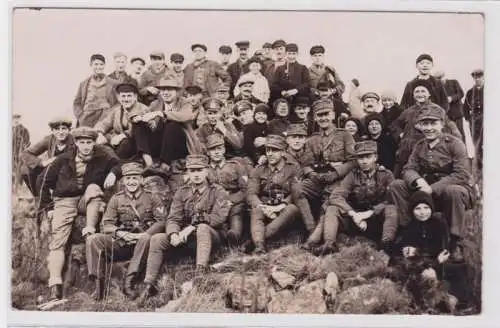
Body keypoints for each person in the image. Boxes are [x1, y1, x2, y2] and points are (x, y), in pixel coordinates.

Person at [138, 154, 232, 302]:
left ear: (206, 171)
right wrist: (173, 234)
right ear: (187, 173)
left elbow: (218, 218)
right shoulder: (182, 192)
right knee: (157, 239)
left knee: (202, 228)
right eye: (192, 171)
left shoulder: (218, 191)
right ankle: (149, 285)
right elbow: (174, 218)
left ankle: (200, 273)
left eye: (199, 170)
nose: (196, 174)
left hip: (212, 237)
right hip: (188, 238)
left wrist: (192, 227)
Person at [42, 127, 120, 302]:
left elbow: (117, 163)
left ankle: (90, 230)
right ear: (76, 143)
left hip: (85, 199)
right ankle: (55, 285)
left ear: (94, 143)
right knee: (57, 243)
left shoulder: (101, 156)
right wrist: (50, 208)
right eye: (82, 142)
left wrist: (113, 174)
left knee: (94, 188)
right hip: (64, 200)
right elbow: (45, 183)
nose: (86, 146)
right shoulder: (63, 159)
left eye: (89, 142)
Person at [389, 104, 474, 262]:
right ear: (420, 126)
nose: (429, 128)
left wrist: (432, 188)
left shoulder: (454, 144)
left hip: (451, 191)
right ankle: (410, 233)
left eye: (433, 123)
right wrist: (418, 180)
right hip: (426, 191)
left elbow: (462, 174)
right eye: (425, 124)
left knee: (453, 191)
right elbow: (408, 169)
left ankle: (456, 242)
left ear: (442, 124)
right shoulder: (419, 146)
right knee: (397, 186)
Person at [85, 162, 166, 300]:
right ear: (123, 181)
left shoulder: (152, 197)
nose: (131, 182)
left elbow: (162, 221)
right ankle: (99, 285)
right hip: (123, 242)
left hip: (143, 243)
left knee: (146, 239)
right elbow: (106, 224)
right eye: (128, 178)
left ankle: (129, 282)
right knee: (92, 239)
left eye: (135, 178)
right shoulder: (116, 199)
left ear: (141, 180)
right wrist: (120, 233)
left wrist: (145, 234)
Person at [309, 140, 397, 255]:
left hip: (376, 219)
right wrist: (354, 214)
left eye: (368, 157)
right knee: (332, 208)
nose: (364, 161)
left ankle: (386, 246)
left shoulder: (386, 174)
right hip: (356, 220)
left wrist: (369, 213)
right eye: (360, 158)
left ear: (375, 157)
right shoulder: (352, 175)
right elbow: (336, 196)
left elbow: (391, 200)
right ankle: (329, 246)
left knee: (391, 209)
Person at [246, 135, 314, 254]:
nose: (270, 154)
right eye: (268, 150)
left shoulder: (293, 168)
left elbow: (296, 192)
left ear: (283, 152)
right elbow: (251, 193)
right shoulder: (259, 169)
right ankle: (259, 246)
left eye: (275, 150)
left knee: (292, 209)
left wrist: (282, 205)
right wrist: (263, 207)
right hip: (265, 206)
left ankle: (255, 239)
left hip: (285, 208)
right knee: (255, 210)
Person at [300, 100, 356, 241]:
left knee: (329, 199)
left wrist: (336, 174)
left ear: (332, 115)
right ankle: (310, 228)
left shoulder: (345, 135)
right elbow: (306, 164)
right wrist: (312, 175)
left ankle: (320, 237)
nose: (323, 118)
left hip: (338, 179)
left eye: (326, 114)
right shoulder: (312, 140)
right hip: (318, 179)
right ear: (315, 118)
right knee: (298, 189)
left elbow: (353, 161)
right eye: (319, 115)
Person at [389, 191, 452, 308]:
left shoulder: (439, 225)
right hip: (417, 268)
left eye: (426, 208)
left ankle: (433, 301)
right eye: (417, 208)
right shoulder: (409, 227)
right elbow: (399, 251)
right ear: (412, 211)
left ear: (431, 208)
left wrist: (418, 252)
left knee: (429, 275)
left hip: (437, 268)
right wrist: (405, 251)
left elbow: (443, 254)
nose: (422, 212)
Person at [392, 80, 461, 177]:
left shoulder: (437, 109)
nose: (420, 94)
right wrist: (400, 134)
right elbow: (395, 124)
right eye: (417, 92)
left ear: (429, 94)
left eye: (423, 91)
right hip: (406, 151)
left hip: (425, 151)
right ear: (413, 95)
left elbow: (448, 126)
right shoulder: (408, 111)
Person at [133, 78, 200, 171]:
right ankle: (149, 163)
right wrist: (139, 117)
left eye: (170, 89)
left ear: (177, 92)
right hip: (161, 144)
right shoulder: (155, 104)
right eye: (163, 89)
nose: (166, 92)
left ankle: (165, 165)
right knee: (139, 125)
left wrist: (162, 113)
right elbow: (144, 114)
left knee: (172, 125)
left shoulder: (184, 102)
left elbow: (187, 116)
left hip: (179, 146)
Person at [20, 117, 75, 210]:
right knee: (25, 169)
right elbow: (26, 153)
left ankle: (49, 204)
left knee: (41, 179)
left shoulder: (74, 140)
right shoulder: (49, 139)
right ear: (52, 131)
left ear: (69, 130)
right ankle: (39, 198)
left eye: (64, 129)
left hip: (69, 174)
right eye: (57, 129)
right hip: (52, 171)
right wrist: (42, 162)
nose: (61, 132)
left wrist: (58, 159)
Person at [205, 134, 249, 246]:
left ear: (224, 149)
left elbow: (245, 189)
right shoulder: (205, 170)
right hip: (214, 203)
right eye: (212, 149)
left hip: (234, 200)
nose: (216, 152)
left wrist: (230, 200)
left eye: (219, 148)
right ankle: (222, 238)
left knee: (235, 213)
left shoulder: (235, 166)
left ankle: (234, 235)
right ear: (208, 152)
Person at [94, 82, 149, 160]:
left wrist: (122, 136)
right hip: (117, 142)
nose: (126, 99)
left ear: (135, 97)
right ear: (119, 98)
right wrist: (99, 133)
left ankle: (115, 165)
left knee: (125, 143)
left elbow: (140, 130)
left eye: (129, 96)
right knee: (99, 143)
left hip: (135, 145)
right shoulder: (116, 110)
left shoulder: (144, 109)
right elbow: (104, 123)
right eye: (123, 96)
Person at [73, 54, 118, 127]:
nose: (98, 67)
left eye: (101, 64)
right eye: (96, 64)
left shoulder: (113, 83)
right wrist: (80, 115)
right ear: (91, 65)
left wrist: (110, 114)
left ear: (104, 65)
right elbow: (77, 102)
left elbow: (118, 103)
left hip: (105, 118)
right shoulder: (84, 84)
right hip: (87, 117)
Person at [432, 71, 465, 139]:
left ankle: (463, 149)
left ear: (445, 76)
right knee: (448, 136)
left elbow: (461, 93)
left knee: (460, 134)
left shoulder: (454, 82)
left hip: (457, 115)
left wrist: (451, 98)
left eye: (441, 77)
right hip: (446, 116)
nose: (440, 80)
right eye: (437, 78)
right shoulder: (436, 88)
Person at [463, 69, 484, 166]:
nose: (478, 79)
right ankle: (478, 163)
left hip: (487, 120)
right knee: (476, 142)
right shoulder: (470, 92)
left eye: (480, 77)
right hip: (475, 121)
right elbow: (465, 107)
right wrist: (468, 118)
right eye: (475, 77)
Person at [12, 113, 31, 185]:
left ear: (20, 119)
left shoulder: (24, 130)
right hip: (11, 153)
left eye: (17, 118)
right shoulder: (10, 129)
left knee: (20, 169)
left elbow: (27, 143)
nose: (16, 120)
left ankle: (19, 184)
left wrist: (22, 152)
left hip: (20, 153)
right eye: (14, 118)